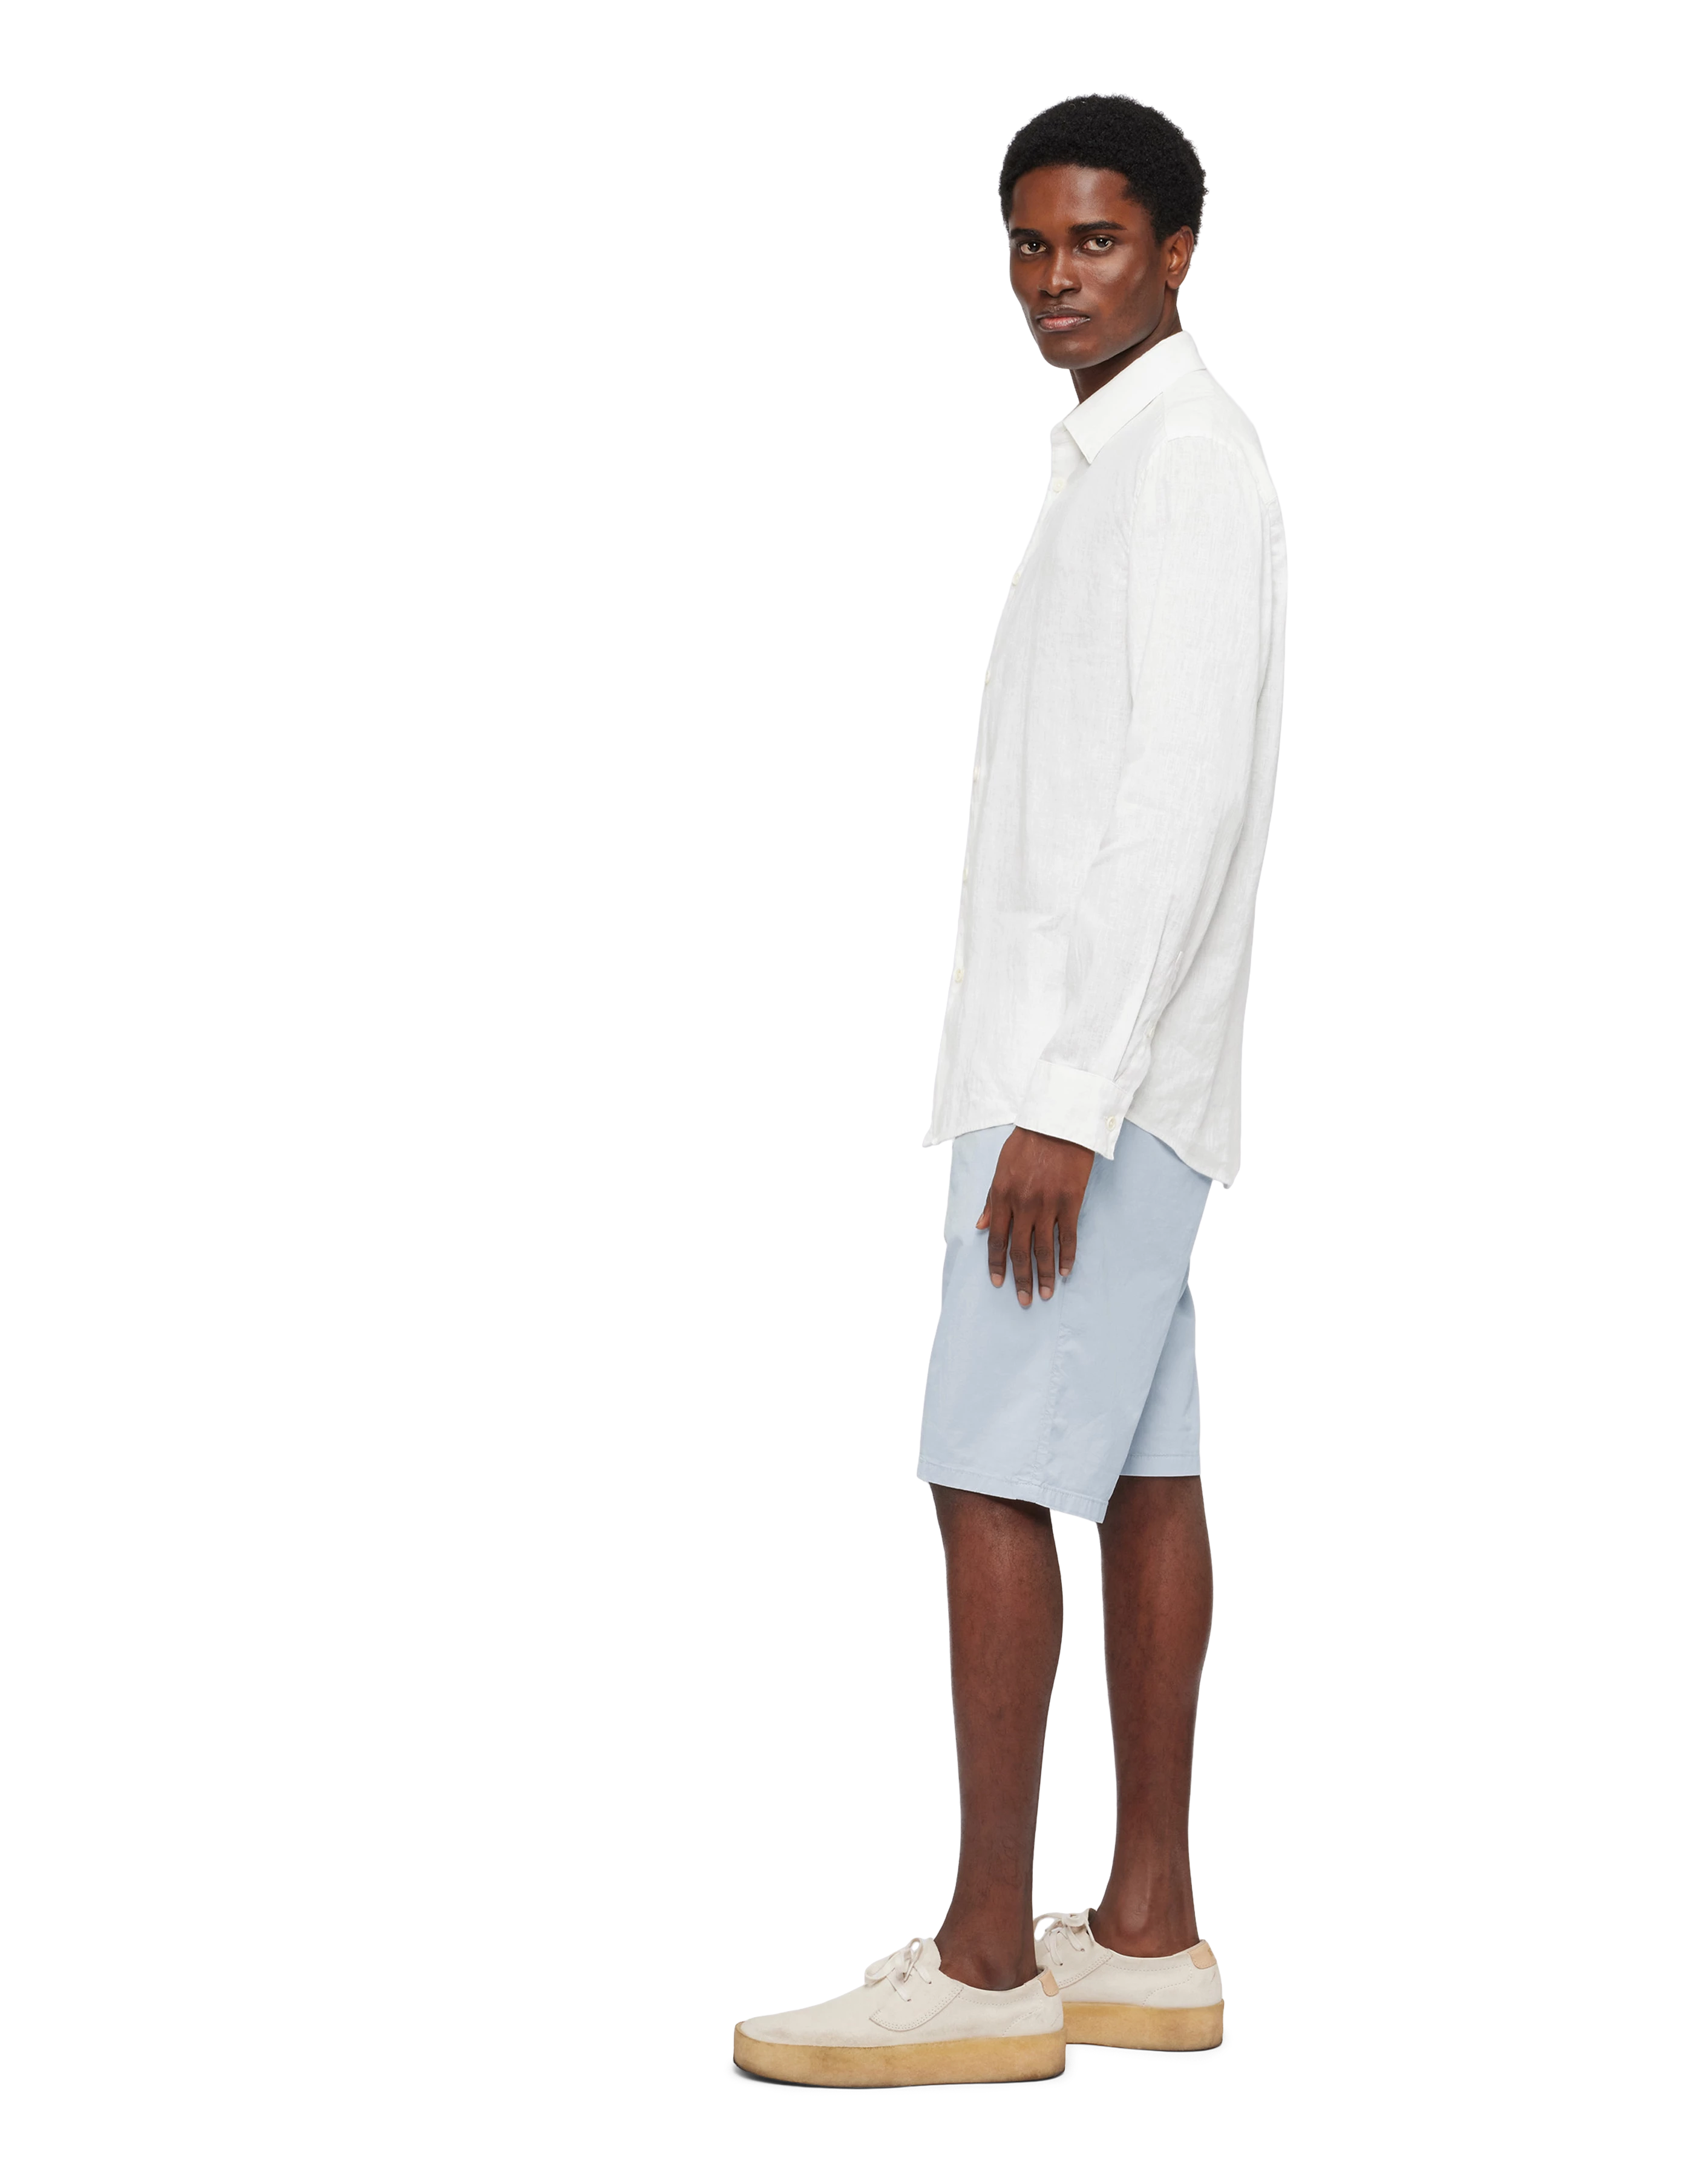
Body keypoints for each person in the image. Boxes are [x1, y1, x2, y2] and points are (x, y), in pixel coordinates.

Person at [730, 93, 1287, 2090]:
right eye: (1032, 245)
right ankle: (1144, 1933)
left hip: (1088, 1089)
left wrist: (1065, 1095)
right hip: (1104, 1075)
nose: (1059, 279)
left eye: (1099, 241)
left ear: (1180, 251)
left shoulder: (1185, 468)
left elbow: (1176, 805)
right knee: (1139, 1473)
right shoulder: (1113, 462)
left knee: (987, 1471)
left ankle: (983, 1967)